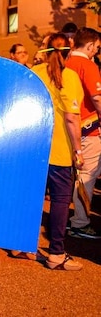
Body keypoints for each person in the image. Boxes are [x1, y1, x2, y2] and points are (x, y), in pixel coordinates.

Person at [31, 32, 85, 270]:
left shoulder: (35, 72)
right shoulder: (69, 76)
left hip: (34, 148)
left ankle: (22, 245)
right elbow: (72, 118)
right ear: (69, 52)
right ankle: (56, 254)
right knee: (60, 202)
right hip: (60, 150)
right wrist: (78, 149)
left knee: (32, 199)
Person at [64, 27, 101, 239]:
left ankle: (76, 219)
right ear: (89, 45)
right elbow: (96, 98)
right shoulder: (87, 64)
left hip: (72, 129)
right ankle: (80, 222)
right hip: (89, 129)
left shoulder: (66, 63)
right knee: (87, 177)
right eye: (96, 47)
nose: (97, 51)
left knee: (77, 176)